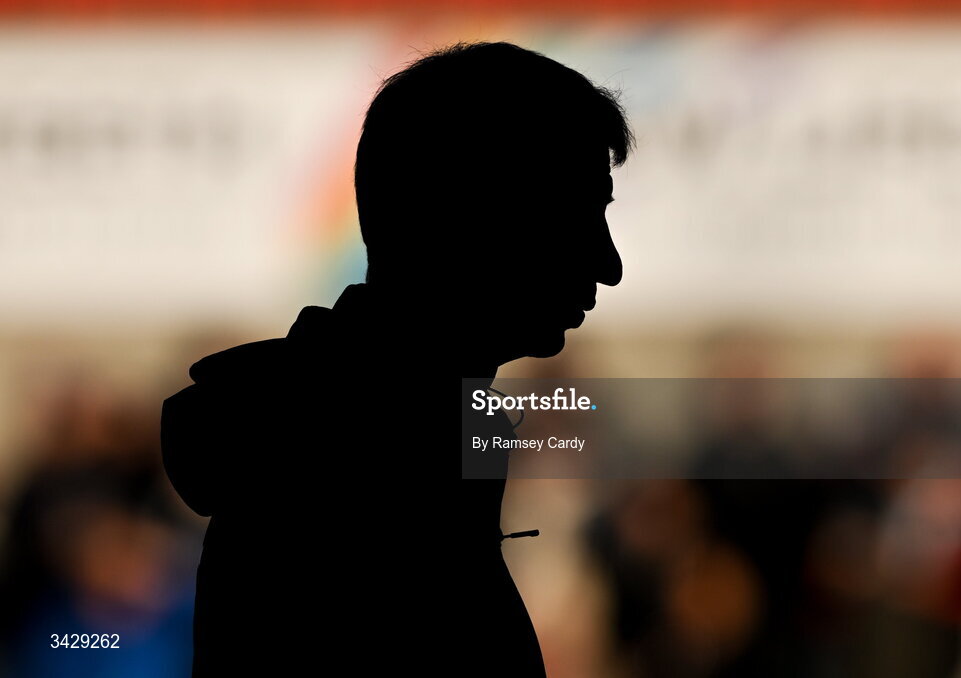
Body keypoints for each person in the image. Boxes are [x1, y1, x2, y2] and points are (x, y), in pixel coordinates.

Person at [161, 41, 632, 676]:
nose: (610, 266)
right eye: (577, 216)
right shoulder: (348, 465)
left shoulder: (350, 434)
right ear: (475, 220)